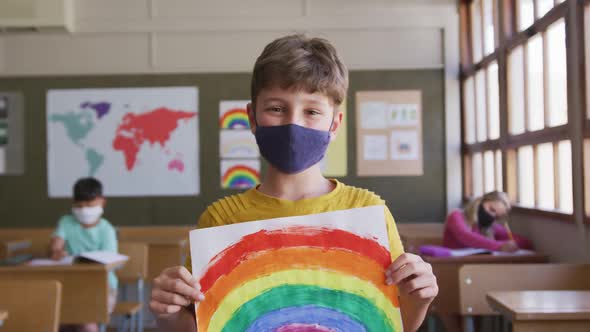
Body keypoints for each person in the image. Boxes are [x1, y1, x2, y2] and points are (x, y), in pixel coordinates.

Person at [149, 34, 438, 332]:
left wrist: (420, 297)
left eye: (312, 111)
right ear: (252, 117)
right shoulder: (221, 220)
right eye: (276, 108)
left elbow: (392, 323)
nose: (293, 124)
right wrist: (167, 314)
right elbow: (200, 324)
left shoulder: (366, 211)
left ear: (334, 124)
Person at [50, 177, 118, 332]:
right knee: (56, 320)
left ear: (102, 202)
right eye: (79, 206)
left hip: (102, 286)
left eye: (89, 205)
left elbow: (109, 261)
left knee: (85, 323)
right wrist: (56, 252)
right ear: (73, 204)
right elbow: (56, 245)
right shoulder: (66, 222)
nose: (84, 210)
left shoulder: (106, 229)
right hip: (68, 285)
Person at [443, 191, 533, 252]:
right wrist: (500, 246)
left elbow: (525, 242)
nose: (492, 216)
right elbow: (467, 237)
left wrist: (513, 245)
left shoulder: (491, 226)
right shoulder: (456, 215)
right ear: (481, 201)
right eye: (491, 209)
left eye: (497, 216)